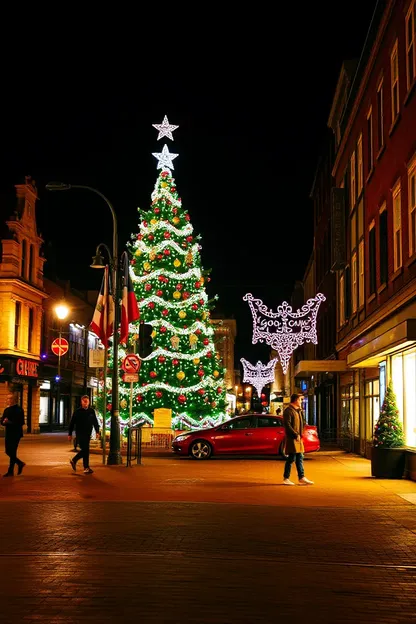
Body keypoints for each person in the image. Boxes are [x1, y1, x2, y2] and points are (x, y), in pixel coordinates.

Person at [282, 393, 314, 486]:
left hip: (298, 438)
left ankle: (301, 477)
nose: (301, 401)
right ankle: (286, 478)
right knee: (291, 458)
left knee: (300, 457)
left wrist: (301, 433)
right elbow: (287, 425)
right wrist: (295, 434)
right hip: (292, 438)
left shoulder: (298, 411)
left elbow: (302, 423)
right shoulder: (288, 411)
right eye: (300, 399)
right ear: (296, 400)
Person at [68, 395, 100, 474]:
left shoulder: (91, 411)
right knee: (85, 450)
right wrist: (70, 434)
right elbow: (72, 423)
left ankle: (85, 467)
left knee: (85, 450)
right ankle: (78, 462)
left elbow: (95, 422)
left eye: (87, 401)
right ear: (81, 402)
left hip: (87, 433)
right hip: (80, 433)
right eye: (84, 401)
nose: (86, 403)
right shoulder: (77, 412)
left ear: (89, 402)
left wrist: (97, 431)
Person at [0, 392, 25, 477]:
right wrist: (3, 422)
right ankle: (20, 463)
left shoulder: (19, 409)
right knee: (8, 451)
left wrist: (9, 422)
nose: (7, 400)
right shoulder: (6, 410)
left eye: (9, 398)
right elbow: (2, 421)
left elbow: (21, 422)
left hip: (16, 433)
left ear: (14, 400)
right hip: (8, 433)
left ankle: (10, 471)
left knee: (13, 451)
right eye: (7, 398)